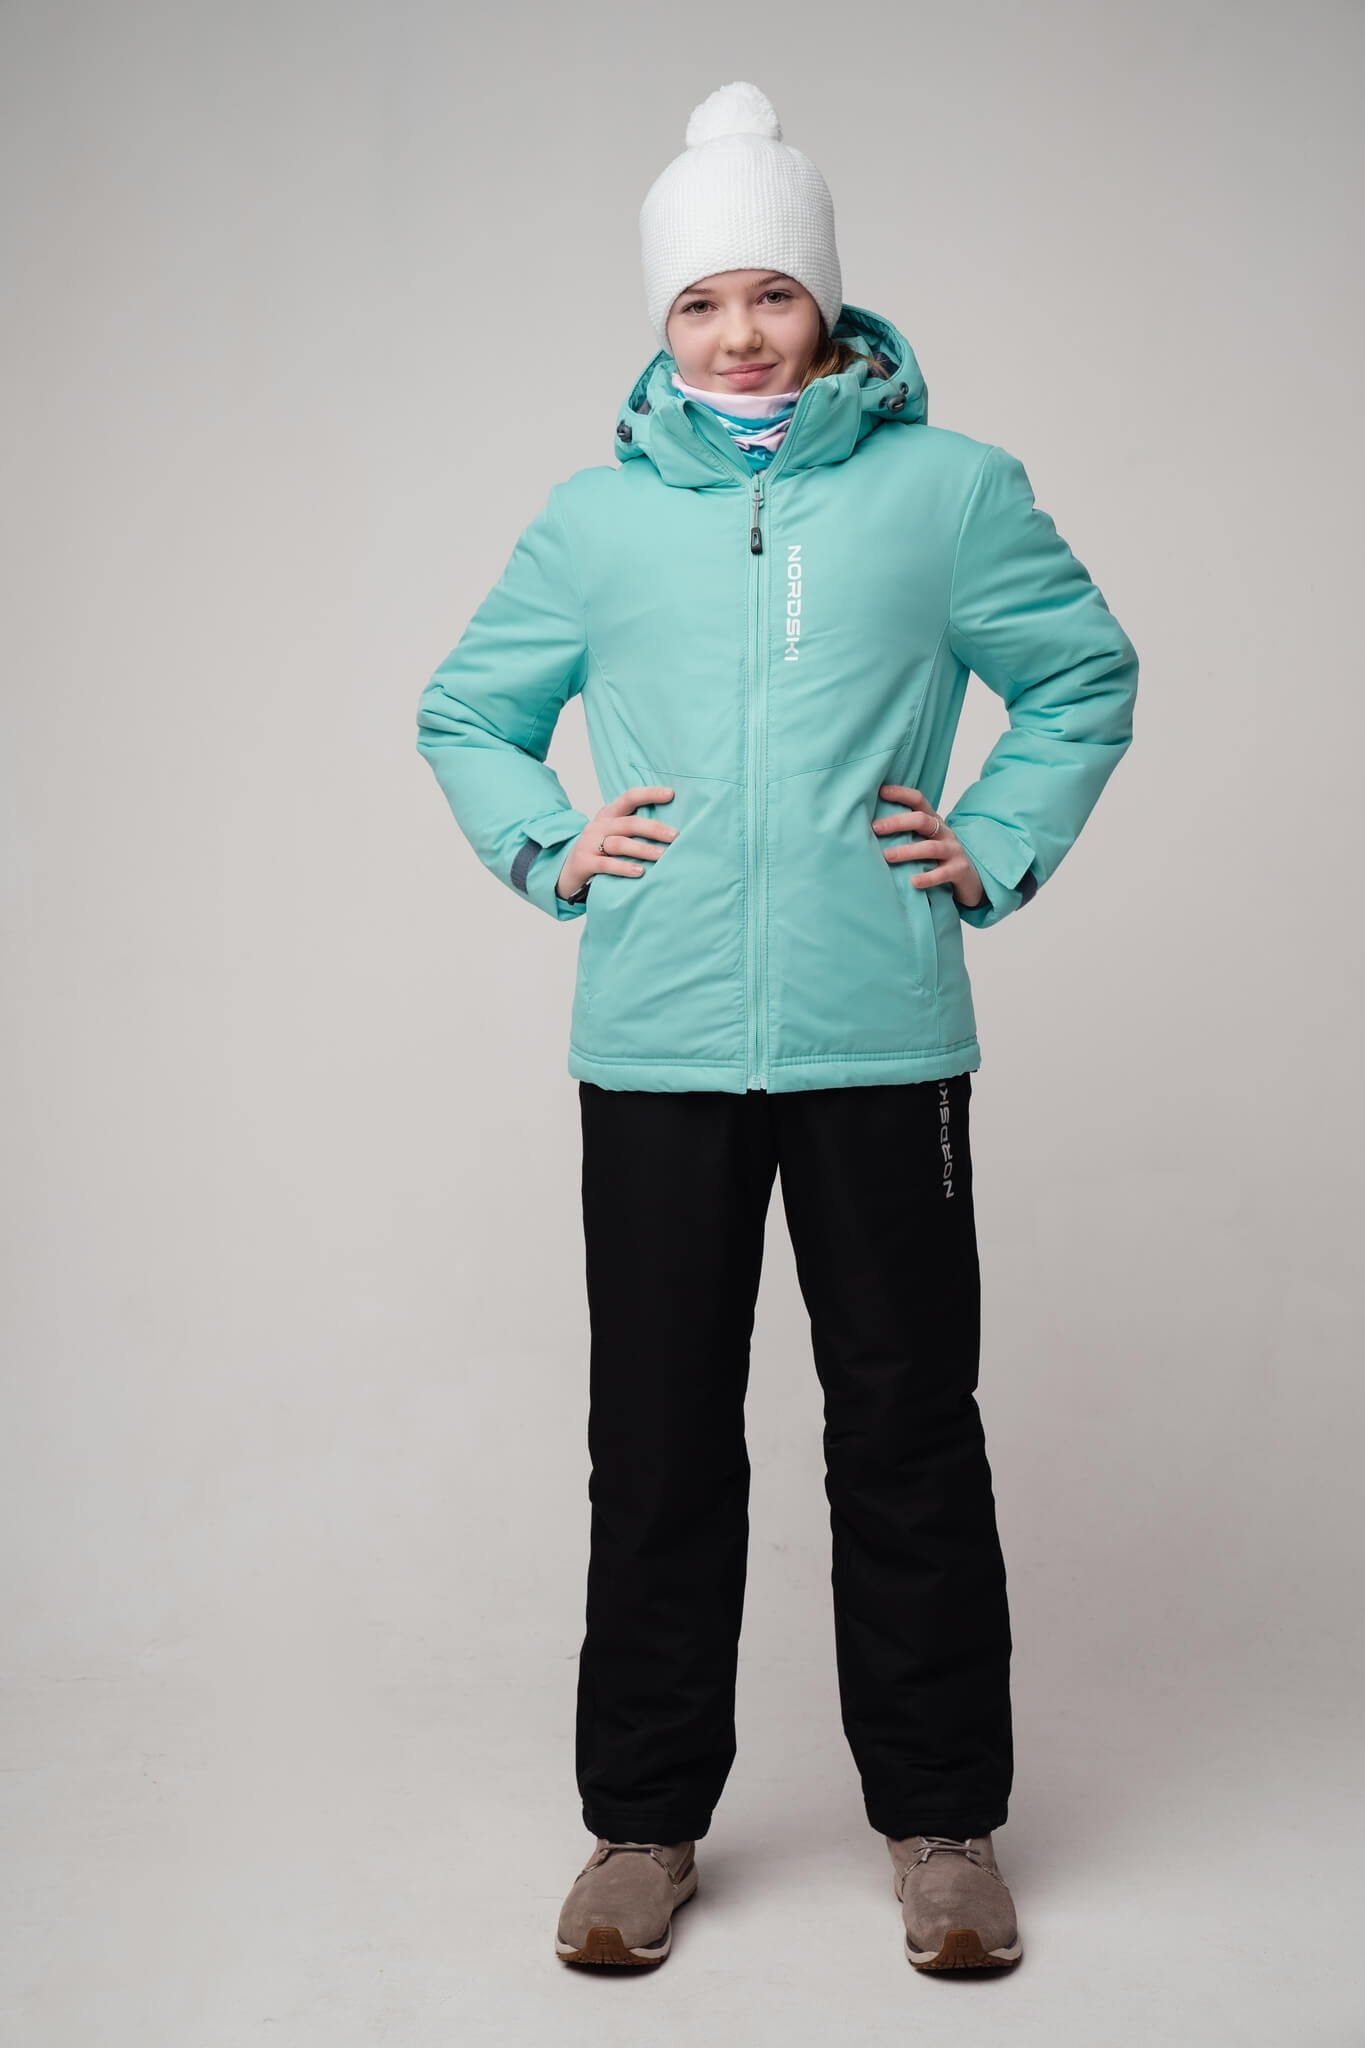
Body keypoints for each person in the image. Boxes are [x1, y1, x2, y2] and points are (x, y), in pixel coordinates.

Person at [415, 79, 1138, 1976]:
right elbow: (468, 711)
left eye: (769, 293)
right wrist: (550, 843)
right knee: (657, 1438)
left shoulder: (948, 492)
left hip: (879, 1034)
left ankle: (943, 1827)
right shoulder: (592, 523)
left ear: (825, 302)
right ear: (660, 321)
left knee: (906, 1428)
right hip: (654, 1042)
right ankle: (641, 1827)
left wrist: (989, 842)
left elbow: (1080, 676)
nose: (737, 332)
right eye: (698, 301)